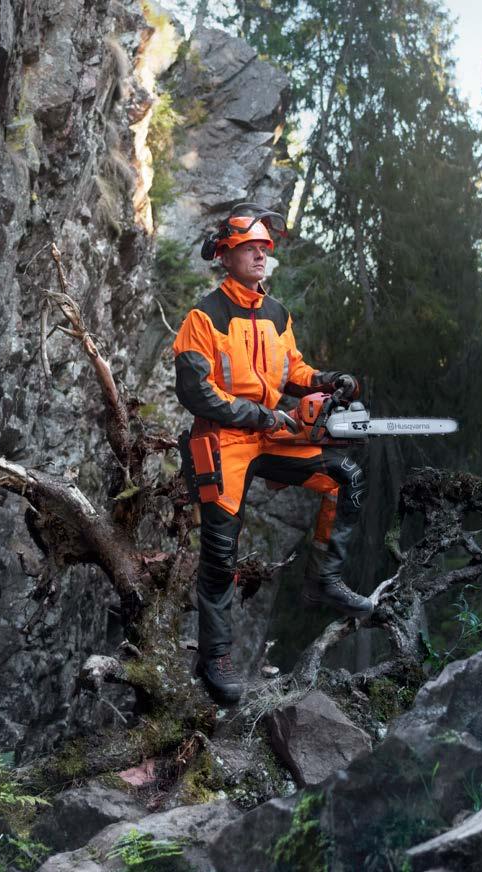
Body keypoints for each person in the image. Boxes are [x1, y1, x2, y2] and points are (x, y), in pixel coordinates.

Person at [173, 204, 372, 704]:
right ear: (226, 254)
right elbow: (196, 393)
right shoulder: (204, 317)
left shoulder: (277, 313)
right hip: (223, 439)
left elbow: (294, 370)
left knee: (343, 476)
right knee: (220, 554)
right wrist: (260, 416)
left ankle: (323, 578)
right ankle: (214, 656)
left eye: (265, 248)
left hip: (270, 432)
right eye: (251, 248)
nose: (261, 254)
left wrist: (329, 381)